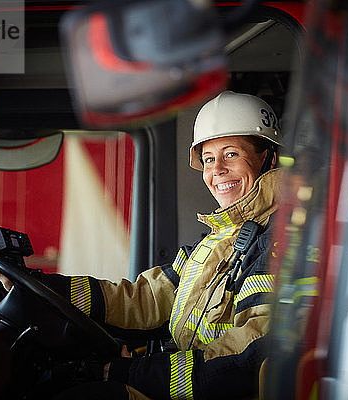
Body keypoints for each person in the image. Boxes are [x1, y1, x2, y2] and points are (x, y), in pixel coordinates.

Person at [44, 90, 283, 399]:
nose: (217, 170)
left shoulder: (281, 239)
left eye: (231, 154)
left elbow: (253, 351)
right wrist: (53, 290)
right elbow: (146, 299)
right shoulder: (215, 240)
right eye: (209, 159)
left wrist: (135, 373)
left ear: (268, 157)